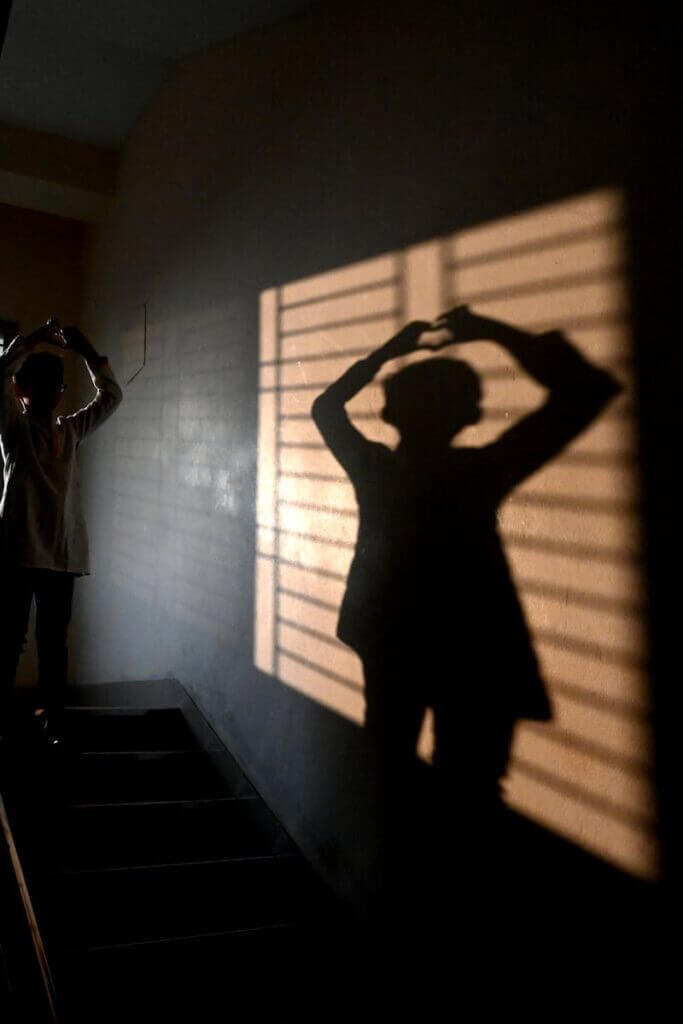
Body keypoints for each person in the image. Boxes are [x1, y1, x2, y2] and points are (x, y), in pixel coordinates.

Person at [312, 306, 621, 803]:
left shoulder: (376, 472)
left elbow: (326, 407)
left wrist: (392, 350)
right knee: (469, 792)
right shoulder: (481, 473)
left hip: (391, 636)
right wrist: (488, 329)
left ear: (389, 414)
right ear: (472, 414)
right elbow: (585, 390)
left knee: (387, 775)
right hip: (475, 647)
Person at [0, 318, 123, 744]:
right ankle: (3, 725)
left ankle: (55, 723)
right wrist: (30, 340)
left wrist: (89, 354)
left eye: (57, 386)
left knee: (54, 645)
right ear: (21, 391)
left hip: (61, 556)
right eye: (42, 384)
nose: (52, 393)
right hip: (17, 554)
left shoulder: (69, 431)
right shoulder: (14, 431)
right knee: (10, 642)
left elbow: (111, 397)